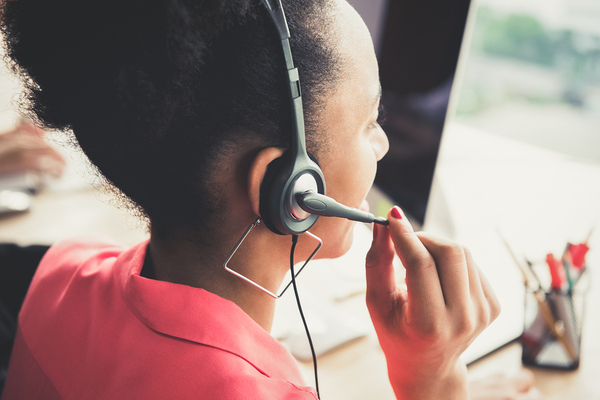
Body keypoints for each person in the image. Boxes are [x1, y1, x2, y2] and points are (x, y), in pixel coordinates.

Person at [0, 0, 545, 399]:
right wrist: (436, 381)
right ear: (287, 185)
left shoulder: (56, 279)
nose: (382, 142)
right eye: (369, 120)